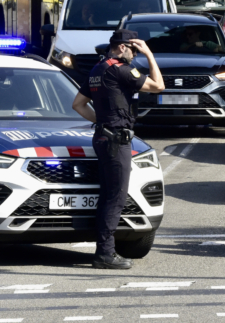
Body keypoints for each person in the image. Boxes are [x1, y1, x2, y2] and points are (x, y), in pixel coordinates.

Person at [71, 29, 165, 270]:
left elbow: (78, 104)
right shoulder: (121, 70)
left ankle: (104, 249)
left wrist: (101, 122)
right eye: (134, 50)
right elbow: (158, 86)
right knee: (116, 198)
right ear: (123, 47)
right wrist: (150, 54)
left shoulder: (98, 69)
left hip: (103, 137)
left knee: (107, 196)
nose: (135, 55)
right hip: (116, 142)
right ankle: (105, 253)